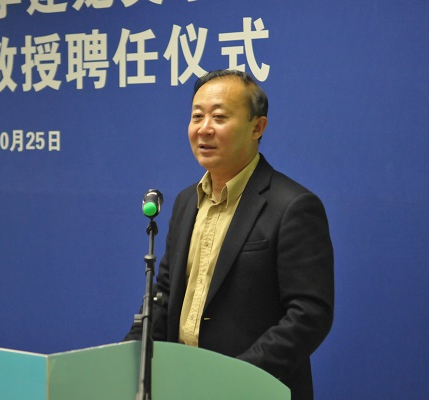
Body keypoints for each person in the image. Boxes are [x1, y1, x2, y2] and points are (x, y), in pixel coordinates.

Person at [125, 69, 334, 400]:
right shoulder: (185, 202)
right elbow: (163, 293)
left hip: (252, 391)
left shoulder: (292, 206)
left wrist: (234, 381)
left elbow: (309, 315)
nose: (204, 128)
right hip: (180, 386)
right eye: (197, 116)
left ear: (257, 127)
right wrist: (127, 359)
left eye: (219, 117)